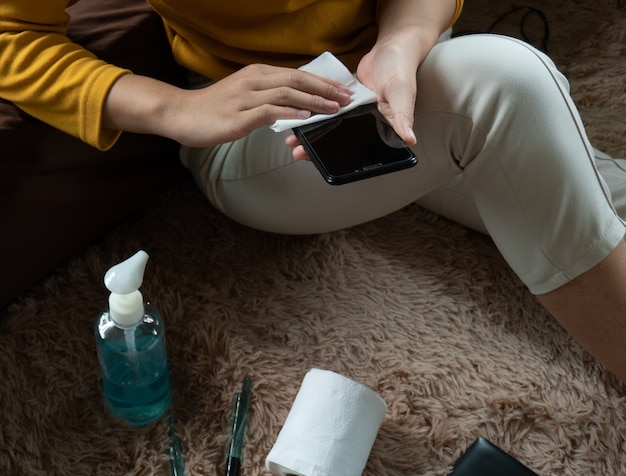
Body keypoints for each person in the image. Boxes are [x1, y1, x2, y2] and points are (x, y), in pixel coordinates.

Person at [2, 1, 626, 385]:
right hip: (263, 140)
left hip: (409, 78)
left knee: (576, 179)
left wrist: (403, 45)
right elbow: (11, 36)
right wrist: (178, 108)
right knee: (510, 84)